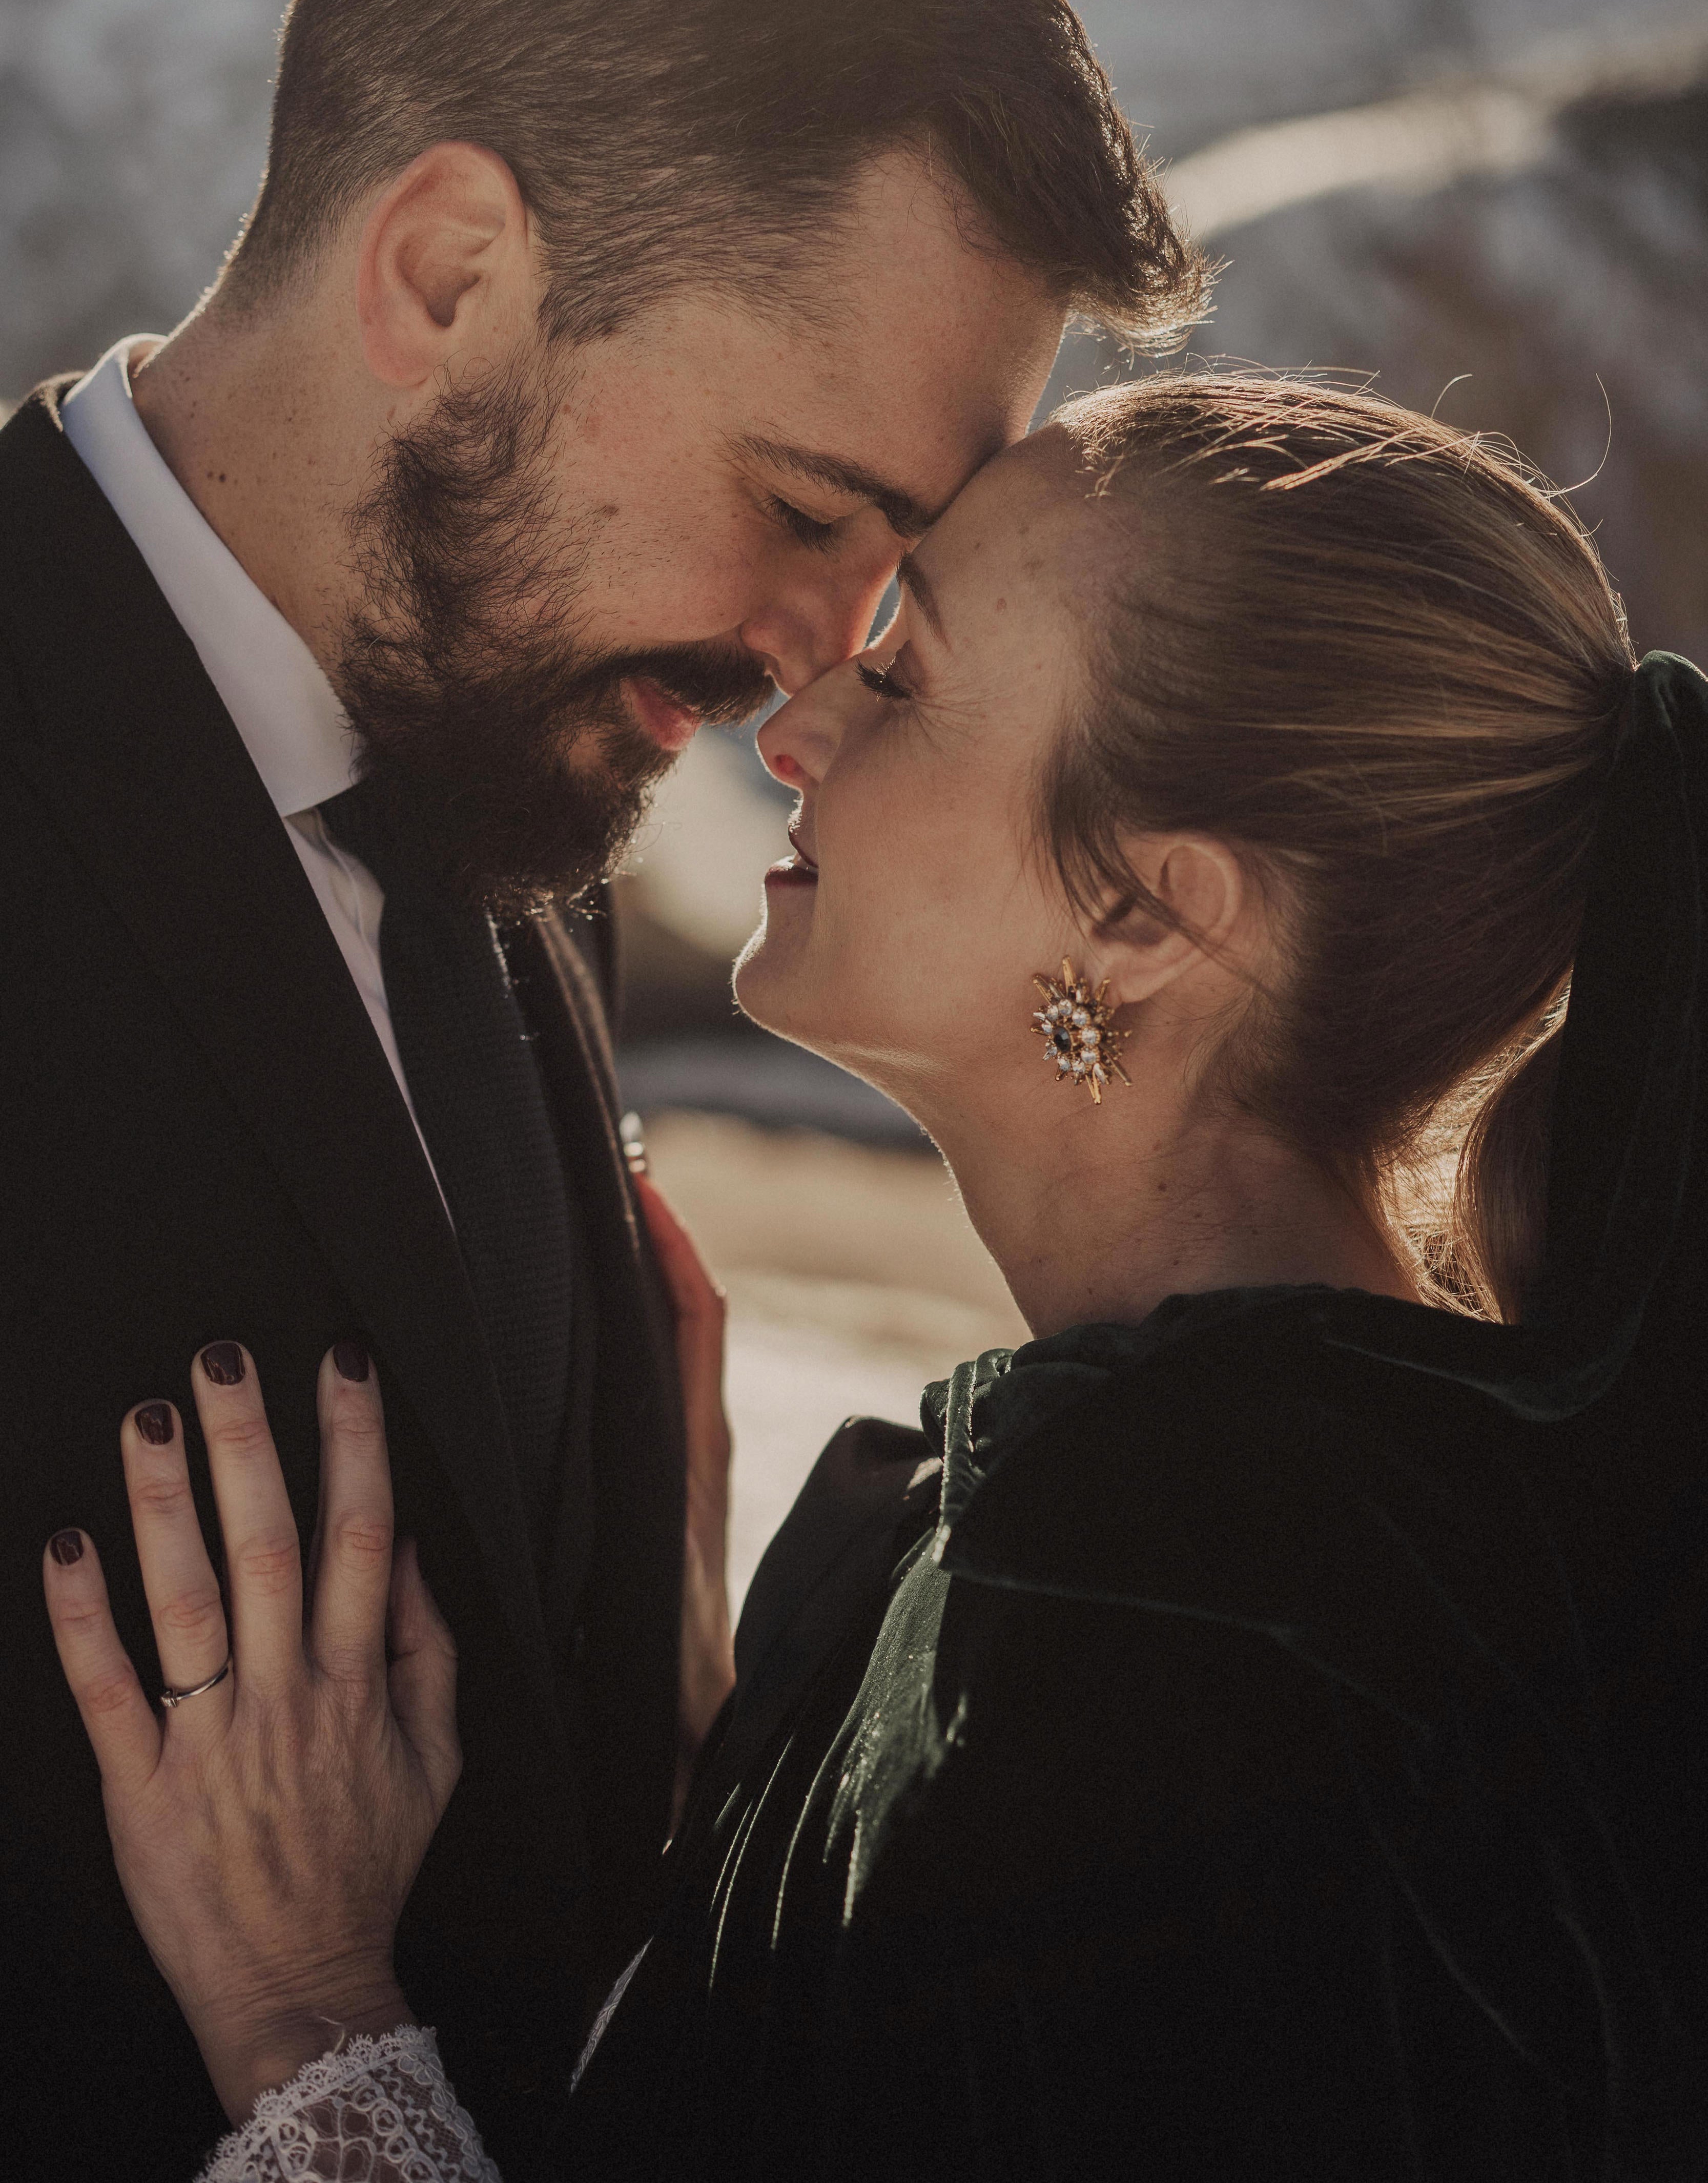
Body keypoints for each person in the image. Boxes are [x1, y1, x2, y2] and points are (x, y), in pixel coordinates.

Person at [46, 377, 1708, 2177]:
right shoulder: (1315, 1525)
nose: (796, 724)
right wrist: (734, 1781)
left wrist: (310, 2023)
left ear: (1147, 919)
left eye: (903, 677)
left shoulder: (1155, 1643)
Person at [2, 0, 1204, 2178]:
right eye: (803, 507)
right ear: (448, 272)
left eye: (891, 576)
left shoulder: (499, 801)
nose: (816, 659)